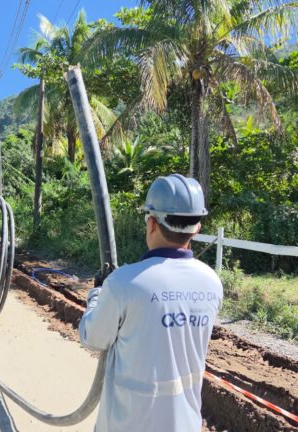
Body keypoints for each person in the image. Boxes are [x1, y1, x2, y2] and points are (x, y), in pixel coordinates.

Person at [78, 174, 223, 432]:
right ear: (197, 228)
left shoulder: (124, 282)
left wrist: (96, 294)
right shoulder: (211, 282)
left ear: (152, 222)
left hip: (127, 424)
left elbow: (93, 337)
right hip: (184, 424)